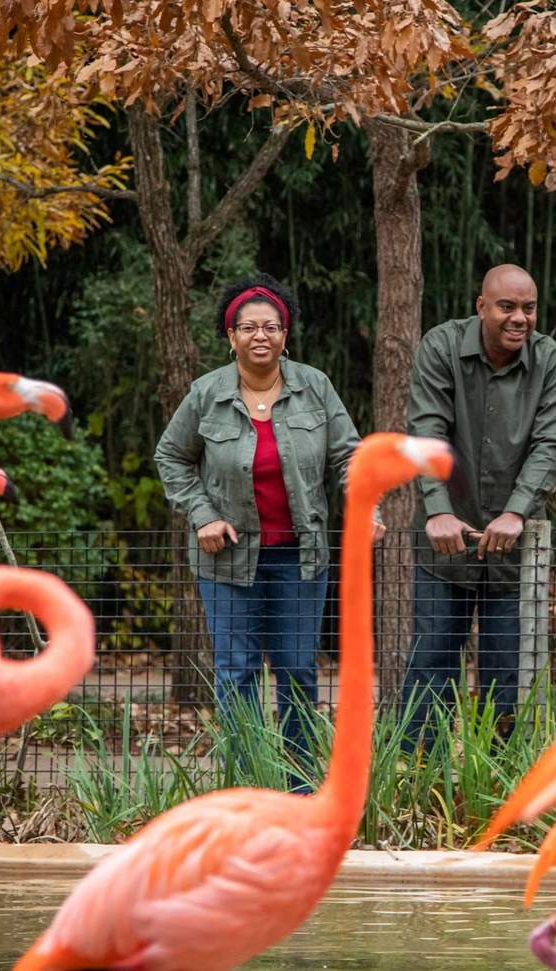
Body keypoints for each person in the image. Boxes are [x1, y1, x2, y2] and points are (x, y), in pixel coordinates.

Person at [154, 273, 378, 780]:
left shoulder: (315, 386)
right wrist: (202, 513)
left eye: (271, 326)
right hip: (227, 559)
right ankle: (247, 779)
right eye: (248, 327)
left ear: (285, 334)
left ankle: (299, 784)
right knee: (237, 674)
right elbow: (171, 456)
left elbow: (349, 456)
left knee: (297, 672)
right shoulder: (206, 393)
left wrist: (366, 508)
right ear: (230, 335)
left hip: (301, 558)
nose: (261, 336)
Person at [401, 263, 556, 746]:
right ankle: (416, 781)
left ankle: (499, 795)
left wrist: (517, 512)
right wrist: (437, 509)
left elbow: (550, 444)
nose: (520, 317)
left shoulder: (552, 361)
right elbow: (427, 430)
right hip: (445, 547)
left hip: (516, 551)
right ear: (481, 307)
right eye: (507, 307)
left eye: (529, 307)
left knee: (506, 679)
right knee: (432, 665)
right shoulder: (441, 346)